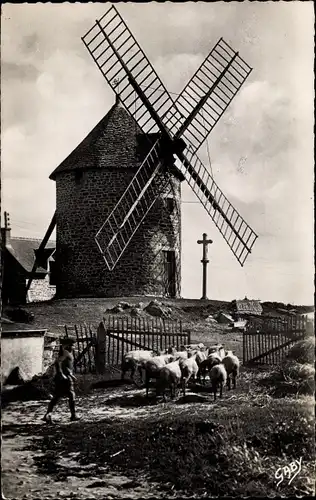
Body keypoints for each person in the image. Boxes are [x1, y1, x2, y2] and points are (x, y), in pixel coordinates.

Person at [43, 338, 80, 423]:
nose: (73, 347)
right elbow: (58, 362)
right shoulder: (65, 352)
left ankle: (48, 414)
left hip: (66, 377)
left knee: (58, 396)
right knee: (70, 395)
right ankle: (73, 415)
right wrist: (61, 374)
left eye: (73, 345)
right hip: (64, 378)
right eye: (71, 345)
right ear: (66, 345)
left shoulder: (67, 353)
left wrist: (71, 375)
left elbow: (66, 366)